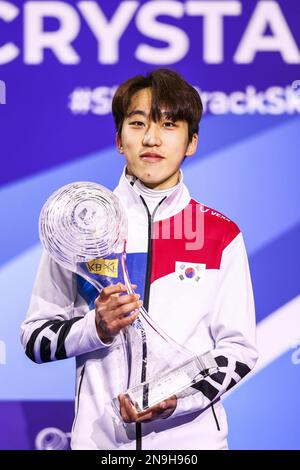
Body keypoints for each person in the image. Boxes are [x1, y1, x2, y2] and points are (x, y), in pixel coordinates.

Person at [21, 68, 258, 450]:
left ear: (191, 141)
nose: (151, 138)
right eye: (137, 123)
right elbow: (35, 338)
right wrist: (94, 328)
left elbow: (238, 350)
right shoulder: (81, 224)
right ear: (119, 139)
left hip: (193, 446)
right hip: (101, 446)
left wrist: (180, 400)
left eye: (169, 124)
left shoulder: (220, 234)